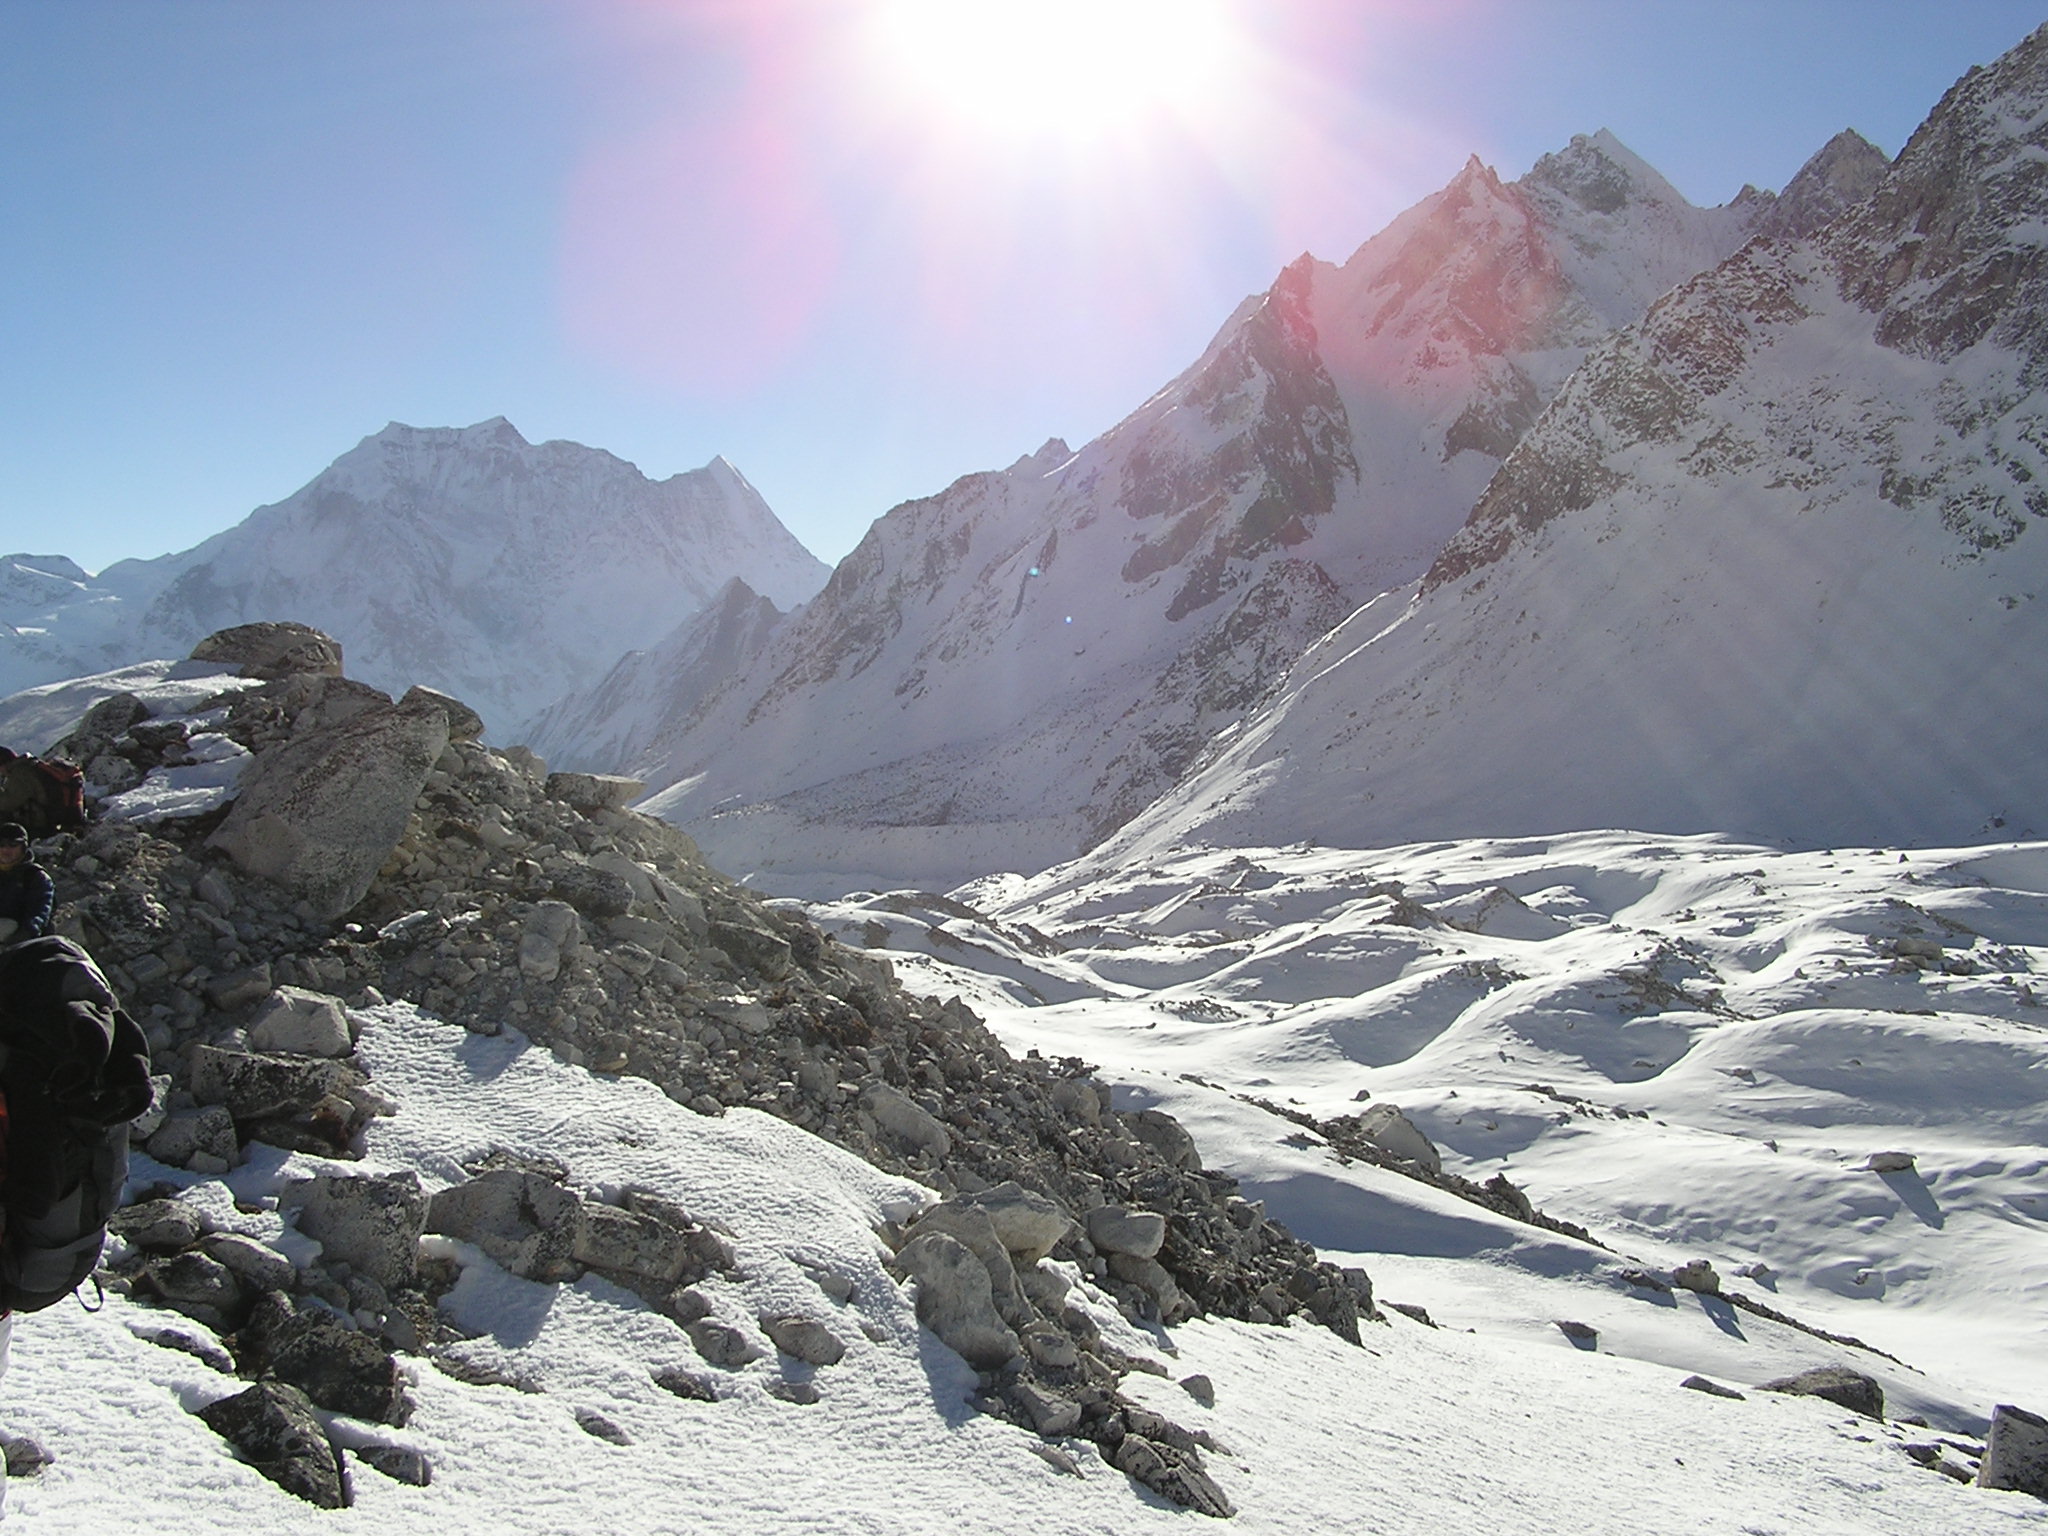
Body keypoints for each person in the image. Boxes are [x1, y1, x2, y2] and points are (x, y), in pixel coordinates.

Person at [0, 825, 53, 947]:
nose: (6, 850)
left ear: (23, 848)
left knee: (8, 925)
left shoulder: (35, 877)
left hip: (25, 943)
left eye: (13, 845)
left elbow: (39, 914)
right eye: (1, 845)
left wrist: (23, 936)